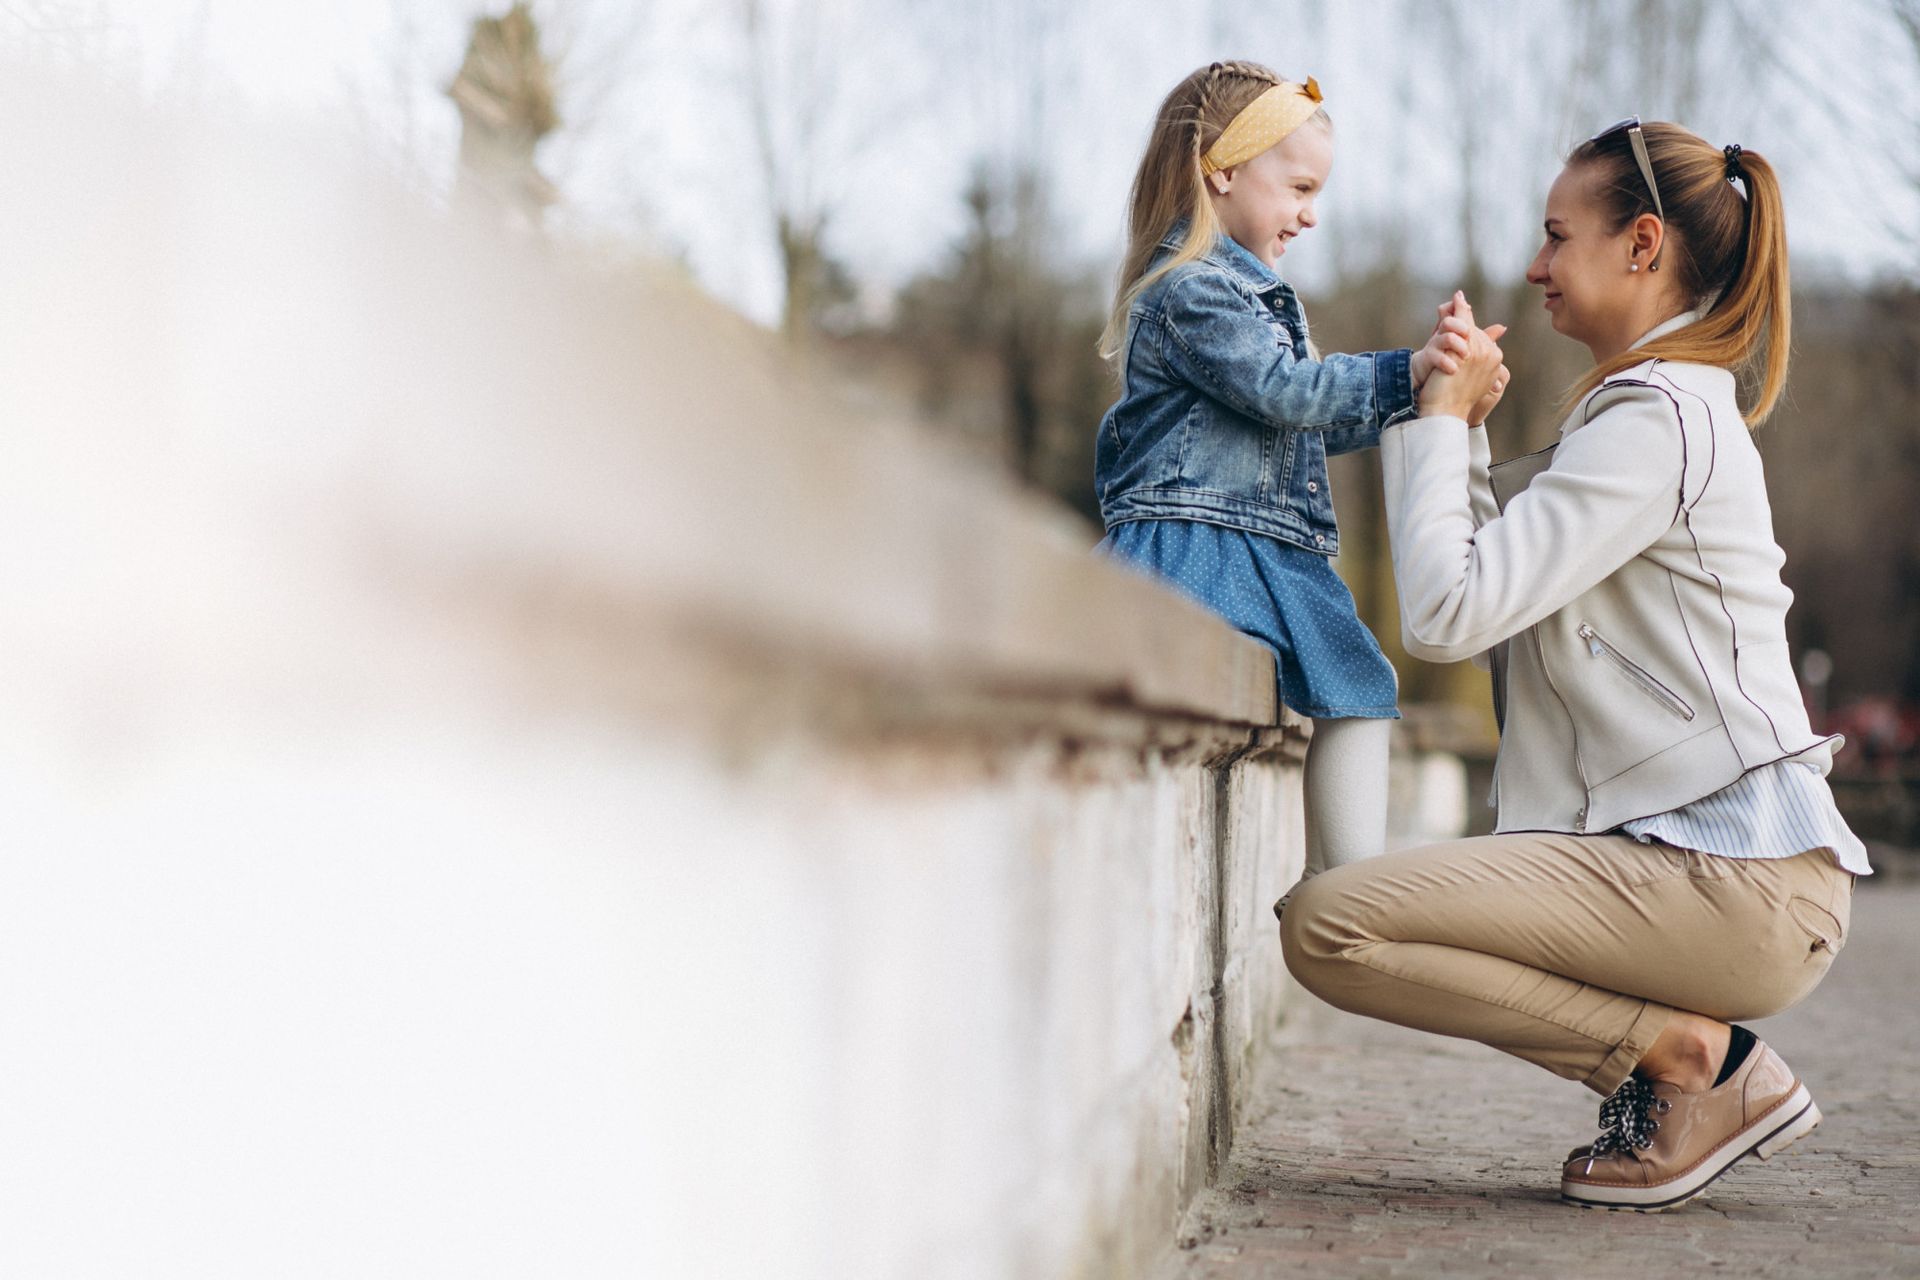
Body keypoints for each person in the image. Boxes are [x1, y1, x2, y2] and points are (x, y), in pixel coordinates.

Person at [1280, 118, 1873, 1212]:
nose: (1533, 265)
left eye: (1558, 236)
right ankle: (1689, 1067)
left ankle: (1695, 1065)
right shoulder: (1644, 412)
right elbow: (1488, 579)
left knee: (1333, 923)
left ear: (1641, 243)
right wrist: (1456, 434)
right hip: (1712, 871)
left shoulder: (1657, 421)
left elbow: (1450, 612)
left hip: (1735, 880)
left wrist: (1440, 416)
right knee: (1332, 922)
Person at [1092, 61, 1499, 900]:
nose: (1312, 215)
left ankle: (1340, 886)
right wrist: (1404, 372)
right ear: (1223, 171)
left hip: (1262, 545)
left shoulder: (1250, 295)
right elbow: (1288, 392)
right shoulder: (1193, 292)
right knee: (1346, 681)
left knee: (1360, 681)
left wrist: (1432, 397)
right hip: (1203, 541)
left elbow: (1308, 417)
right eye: (1300, 188)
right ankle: (1344, 891)